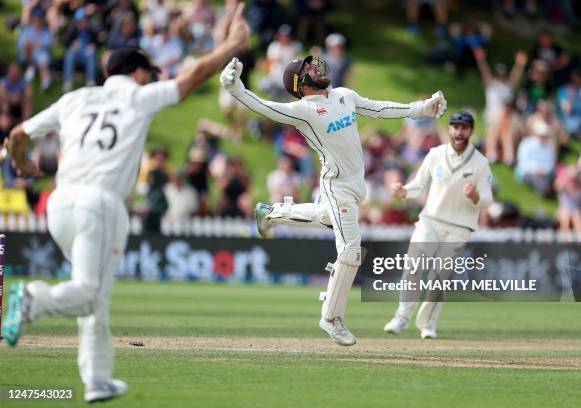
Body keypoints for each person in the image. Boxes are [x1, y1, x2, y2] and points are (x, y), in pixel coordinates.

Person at [2, 4, 249, 403]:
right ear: (137, 73)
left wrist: (22, 163)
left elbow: (16, 134)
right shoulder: (138, 98)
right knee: (87, 291)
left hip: (60, 204)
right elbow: (195, 75)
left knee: (95, 293)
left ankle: (96, 379)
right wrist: (233, 46)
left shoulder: (74, 99)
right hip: (99, 205)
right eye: (147, 73)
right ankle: (32, 299)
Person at [220, 55, 447, 346]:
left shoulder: (343, 95)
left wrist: (420, 109)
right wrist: (235, 88)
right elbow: (265, 107)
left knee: (325, 217)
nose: (316, 68)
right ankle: (330, 318)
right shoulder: (304, 110)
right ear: (300, 83)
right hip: (336, 185)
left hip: (355, 185)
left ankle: (271, 213)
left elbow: (379, 109)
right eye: (308, 69)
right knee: (351, 252)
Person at [383, 111, 492, 339]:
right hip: (430, 220)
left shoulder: (481, 163)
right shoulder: (435, 154)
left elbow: (488, 200)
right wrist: (404, 192)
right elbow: (419, 185)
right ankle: (402, 317)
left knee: (438, 276)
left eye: (464, 128)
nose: (458, 132)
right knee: (413, 265)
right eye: (455, 127)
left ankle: (428, 325)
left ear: (471, 131)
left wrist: (474, 197)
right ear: (450, 129)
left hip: (459, 227)